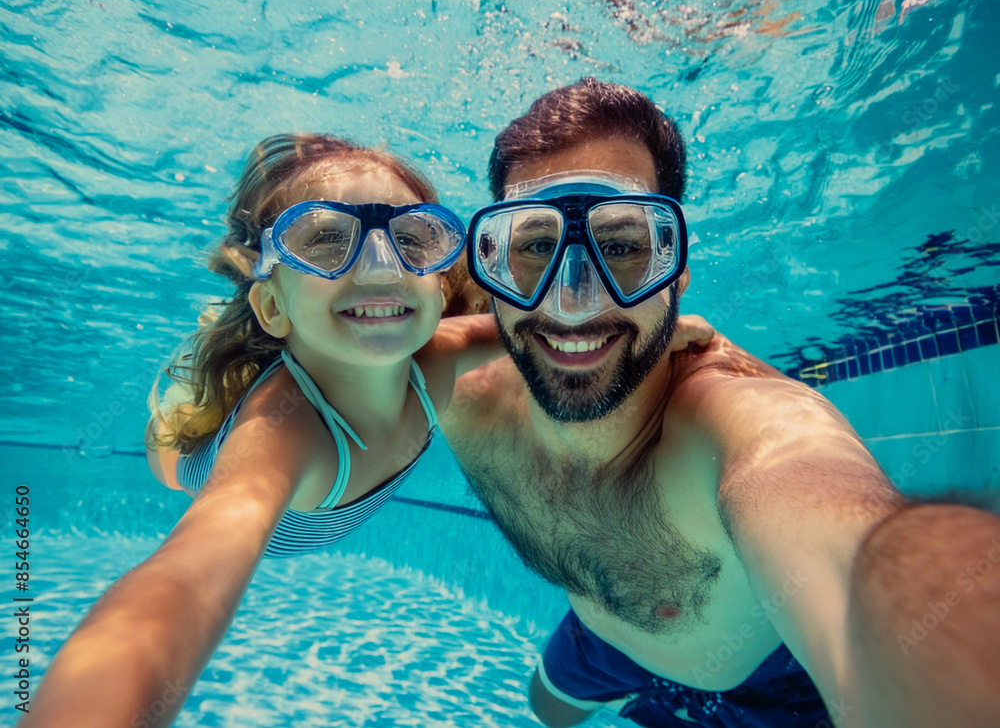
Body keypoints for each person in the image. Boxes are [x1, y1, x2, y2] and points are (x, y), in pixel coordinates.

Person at [22, 131, 717, 727]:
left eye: (414, 239)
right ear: (273, 302)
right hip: (192, 457)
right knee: (167, 443)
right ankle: (207, 365)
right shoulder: (285, 434)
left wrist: (651, 337)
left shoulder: (436, 355)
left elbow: (536, 327)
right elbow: (188, 572)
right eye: (324, 241)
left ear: (439, 277)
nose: (381, 266)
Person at [442, 78, 1000, 728]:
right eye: (536, 246)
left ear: (675, 270)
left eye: (621, 247)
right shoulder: (462, 391)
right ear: (494, 271)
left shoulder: (742, 421)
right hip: (606, 638)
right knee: (545, 710)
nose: (574, 301)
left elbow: (836, 529)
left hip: (769, 680)